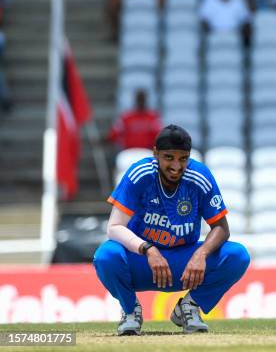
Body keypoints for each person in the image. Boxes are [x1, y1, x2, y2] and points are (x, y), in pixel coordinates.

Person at [94, 125, 250, 335]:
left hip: (181, 264)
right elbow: (114, 228)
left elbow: (221, 228)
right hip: (143, 260)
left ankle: (189, 308)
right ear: (155, 153)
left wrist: (200, 254)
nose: (176, 166)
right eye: (169, 157)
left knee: (237, 255)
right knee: (106, 255)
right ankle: (131, 310)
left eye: (183, 159)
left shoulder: (199, 177)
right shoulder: (140, 173)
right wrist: (148, 249)